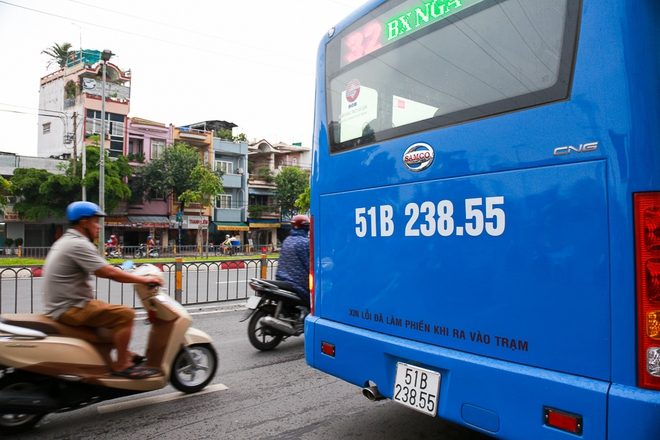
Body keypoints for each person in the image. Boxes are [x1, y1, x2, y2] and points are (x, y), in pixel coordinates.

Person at [43, 201, 164, 379]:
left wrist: (128, 272)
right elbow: (106, 271)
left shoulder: (67, 241)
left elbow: (105, 268)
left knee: (107, 313)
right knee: (125, 314)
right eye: (95, 222)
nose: (99, 227)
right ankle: (122, 364)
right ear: (84, 223)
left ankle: (126, 354)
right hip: (71, 307)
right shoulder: (78, 244)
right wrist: (145, 279)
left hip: (66, 304)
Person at [275, 215, 310, 306]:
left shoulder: (287, 240)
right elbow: (309, 264)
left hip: (281, 279)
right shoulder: (305, 243)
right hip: (298, 283)